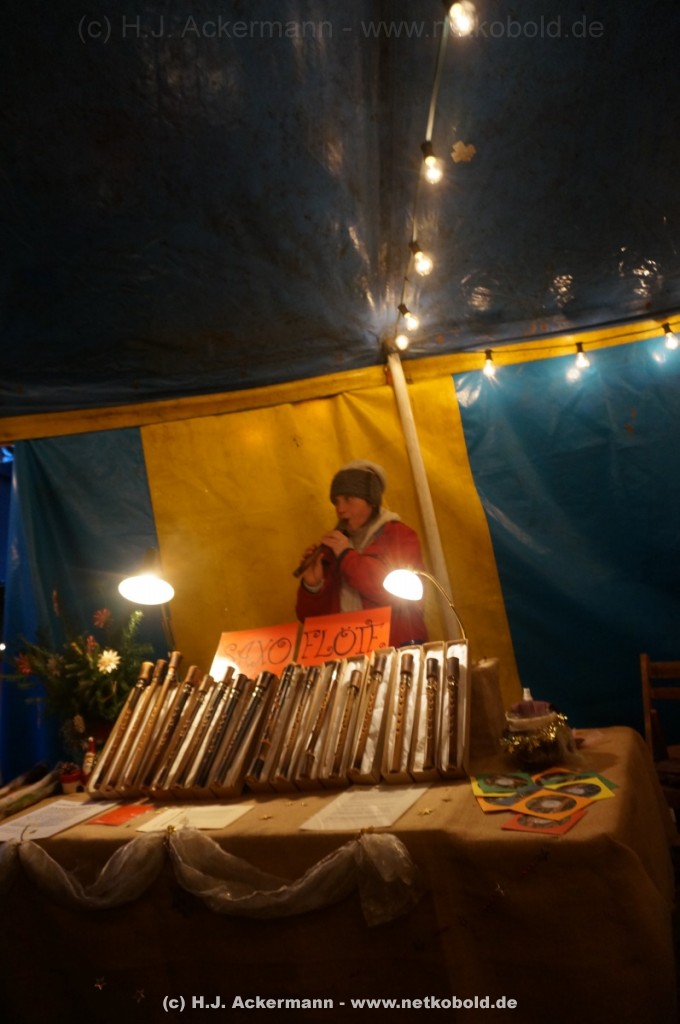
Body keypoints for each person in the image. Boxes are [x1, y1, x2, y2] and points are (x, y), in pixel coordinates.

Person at [295, 460, 428, 648]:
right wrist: (313, 586)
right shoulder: (331, 550)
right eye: (336, 502)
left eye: (348, 499)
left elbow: (397, 595)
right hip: (345, 653)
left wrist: (346, 556)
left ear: (371, 501)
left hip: (397, 651)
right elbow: (309, 620)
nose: (340, 509)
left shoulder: (400, 536)